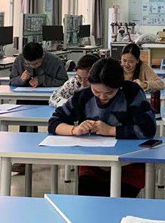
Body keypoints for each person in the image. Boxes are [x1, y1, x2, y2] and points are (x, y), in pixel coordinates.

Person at [48, 58, 156, 197]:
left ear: (119, 86)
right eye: (96, 91)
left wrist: (110, 130)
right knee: (90, 199)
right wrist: (74, 130)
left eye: (109, 92)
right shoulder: (83, 96)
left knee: (121, 202)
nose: (102, 96)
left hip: (129, 163)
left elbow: (149, 128)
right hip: (93, 162)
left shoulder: (132, 93)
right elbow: (54, 122)